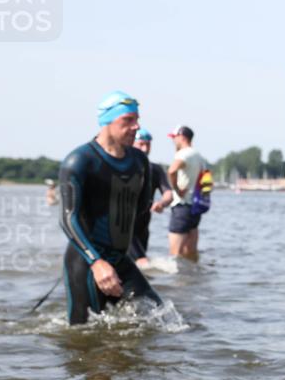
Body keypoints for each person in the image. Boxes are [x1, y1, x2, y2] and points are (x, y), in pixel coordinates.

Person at [59, 91, 162, 325]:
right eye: (127, 120)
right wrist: (96, 262)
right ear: (106, 121)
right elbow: (67, 218)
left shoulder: (139, 161)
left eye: (137, 120)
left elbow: (141, 213)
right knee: (83, 338)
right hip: (86, 263)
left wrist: (139, 253)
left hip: (120, 260)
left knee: (160, 320)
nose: (136, 126)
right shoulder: (80, 161)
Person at [128, 128, 174, 268]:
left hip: (143, 227)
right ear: (131, 143)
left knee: (139, 267)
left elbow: (168, 193)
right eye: (141, 144)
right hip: (124, 228)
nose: (145, 148)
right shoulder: (122, 167)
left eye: (148, 144)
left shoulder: (155, 169)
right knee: (143, 263)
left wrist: (162, 203)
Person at [166, 125, 206, 260]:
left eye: (174, 138)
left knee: (174, 254)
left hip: (182, 206)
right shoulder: (199, 156)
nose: (173, 141)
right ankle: (192, 278)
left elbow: (171, 170)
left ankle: (177, 280)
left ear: (182, 137)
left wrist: (177, 189)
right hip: (195, 207)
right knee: (191, 253)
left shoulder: (184, 154)